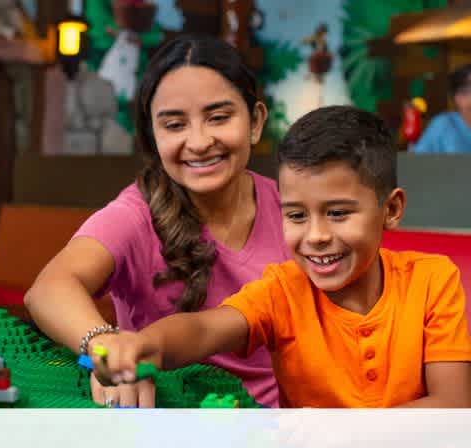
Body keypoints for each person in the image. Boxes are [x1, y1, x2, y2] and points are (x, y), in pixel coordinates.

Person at [90, 106, 471, 408]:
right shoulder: (282, 291)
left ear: (390, 210)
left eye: (338, 213)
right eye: (296, 215)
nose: (317, 236)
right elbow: (205, 329)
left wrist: (338, 433)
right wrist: (144, 345)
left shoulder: (432, 280)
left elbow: (453, 406)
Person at [24, 35, 288, 408]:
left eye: (218, 118)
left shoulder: (293, 208)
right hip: (167, 433)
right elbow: (48, 289)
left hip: (282, 433)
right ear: (152, 134)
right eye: (175, 125)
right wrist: (108, 350)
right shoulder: (133, 215)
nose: (198, 142)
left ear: (255, 122)